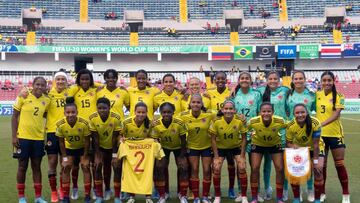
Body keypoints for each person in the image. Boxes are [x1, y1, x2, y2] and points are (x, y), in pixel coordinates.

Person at [12, 77, 50, 203]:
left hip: (38, 139)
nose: (40, 87)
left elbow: (44, 115)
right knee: (22, 166)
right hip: (22, 138)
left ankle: (38, 197)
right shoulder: (23, 96)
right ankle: (21, 197)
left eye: (42, 85)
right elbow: (14, 116)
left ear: (45, 87)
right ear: (32, 85)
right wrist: (14, 136)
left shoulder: (47, 100)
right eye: (37, 84)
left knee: (37, 167)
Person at [316, 71, 350, 203]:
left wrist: (320, 124)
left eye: (329, 80)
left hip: (335, 134)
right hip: (320, 137)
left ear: (333, 81)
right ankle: (322, 192)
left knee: (339, 164)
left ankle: (345, 194)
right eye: (324, 80)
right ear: (321, 82)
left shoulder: (339, 96)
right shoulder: (317, 95)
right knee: (321, 166)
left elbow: (336, 114)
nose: (326, 83)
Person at [205, 71, 238, 198]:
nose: (220, 81)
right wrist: (217, 113)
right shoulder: (208, 93)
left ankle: (231, 189)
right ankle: (216, 191)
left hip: (229, 132)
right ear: (214, 80)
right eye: (217, 79)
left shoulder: (231, 93)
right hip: (215, 133)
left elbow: (234, 109)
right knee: (216, 165)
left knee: (231, 163)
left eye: (222, 79)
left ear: (226, 80)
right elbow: (206, 110)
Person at [257, 71, 289, 200]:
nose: (273, 81)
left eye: (275, 78)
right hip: (265, 131)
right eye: (270, 79)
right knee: (267, 163)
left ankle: (285, 189)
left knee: (282, 164)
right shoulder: (260, 92)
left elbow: (290, 107)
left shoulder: (286, 91)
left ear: (279, 80)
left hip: (282, 131)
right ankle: (267, 188)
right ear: (266, 80)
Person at [231, 71, 263, 202]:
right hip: (239, 135)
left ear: (251, 80)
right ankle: (240, 192)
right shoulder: (233, 95)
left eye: (247, 78)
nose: (244, 80)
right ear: (239, 80)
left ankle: (257, 193)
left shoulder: (257, 94)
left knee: (255, 167)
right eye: (242, 78)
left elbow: (261, 111)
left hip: (254, 134)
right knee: (241, 166)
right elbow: (229, 112)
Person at [247, 102, 287, 203]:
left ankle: (279, 198)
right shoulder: (253, 121)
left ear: (273, 112)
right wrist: (248, 137)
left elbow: (291, 126)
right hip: (258, 144)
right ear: (260, 112)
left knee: (280, 168)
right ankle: (255, 197)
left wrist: (287, 140)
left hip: (275, 144)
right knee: (255, 168)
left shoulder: (280, 120)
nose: (266, 113)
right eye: (264, 111)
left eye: (269, 111)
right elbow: (244, 129)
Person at [210, 100, 248, 203]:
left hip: (235, 148)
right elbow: (213, 139)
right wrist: (216, 156)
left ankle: (243, 196)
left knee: (242, 166)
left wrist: (242, 155)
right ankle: (217, 196)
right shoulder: (217, 121)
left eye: (231, 109)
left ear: (235, 110)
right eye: (226, 109)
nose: (228, 111)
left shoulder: (239, 121)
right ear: (222, 110)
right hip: (221, 148)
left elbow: (244, 138)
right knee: (216, 167)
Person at [285, 70, 316, 201]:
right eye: (295, 79)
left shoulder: (311, 95)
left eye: (300, 78)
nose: (298, 81)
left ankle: (310, 190)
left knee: (308, 164)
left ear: (305, 79)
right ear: (292, 81)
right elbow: (286, 111)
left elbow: (315, 111)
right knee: (290, 163)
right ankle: (288, 191)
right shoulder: (288, 94)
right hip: (292, 133)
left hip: (307, 132)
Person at [180, 94, 216, 203]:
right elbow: (171, 119)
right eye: (193, 102)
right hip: (192, 147)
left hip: (207, 146)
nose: (196, 104)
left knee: (206, 170)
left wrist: (241, 117)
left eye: (198, 102)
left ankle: (205, 196)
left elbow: (224, 114)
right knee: (194, 170)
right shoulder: (183, 115)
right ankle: (196, 197)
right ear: (190, 104)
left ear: (202, 104)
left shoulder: (210, 114)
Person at [286, 103, 325, 203]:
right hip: (301, 150)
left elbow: (316, 144)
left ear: (307, 112)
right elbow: (288, 143)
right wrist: (293, 147)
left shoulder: (315, 122)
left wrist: (315, 162)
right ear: (293, 114)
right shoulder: (290, 125)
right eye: (297, 113)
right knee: (294, 172)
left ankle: (317, 199)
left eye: (302, 112)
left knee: (318, 171)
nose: (300, 115)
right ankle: (296, 198)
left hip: (316, 148)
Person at [151, 102, 189, 203]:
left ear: (173, 112)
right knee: (160, 167)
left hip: (178, 147)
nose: (166, 114)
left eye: (169, 112)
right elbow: (156, 141)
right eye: (164, 112)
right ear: (160, 112)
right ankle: (163, 194)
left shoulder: (179, 123)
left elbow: (183, 139)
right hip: (163, 148)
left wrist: (182, 155)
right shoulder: (157, 124)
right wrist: (160, 154)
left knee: (183, 167)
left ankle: (182, 194)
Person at [56, 97, 91, 203]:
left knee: (85, 166)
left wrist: (85, 156)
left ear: (77, 112)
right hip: (69, 149)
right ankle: (66, 197)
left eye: (73, 112)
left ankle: (87, 196)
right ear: (64, 113)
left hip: (82, 148)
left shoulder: (84, 123)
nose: (70, 114)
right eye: (68, 112)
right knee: (66, 167)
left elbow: (87, 141)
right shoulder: (60, 124)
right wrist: (64, 157)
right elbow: (61, 142)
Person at [89, 98, 122, 203]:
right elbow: (95, 137)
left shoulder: (116, 118)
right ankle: (99, 196)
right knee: (97, 167)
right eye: (99, 108)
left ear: (109, 108)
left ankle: (116, 196)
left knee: (116, 167)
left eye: (104, 108)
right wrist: (98, 155)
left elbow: (115, 137)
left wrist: (114, 155)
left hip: (113, 147)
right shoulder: (93, 118)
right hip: (100, 148)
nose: (102, 110)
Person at [119, 102, 152, 203]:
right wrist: (121, 140)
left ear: (147, 113)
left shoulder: (150, 123)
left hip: (144, 151)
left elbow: (152, 137)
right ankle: (131, 195)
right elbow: (119, 135)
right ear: (134, 112)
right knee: (130, 173)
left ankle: (148, 196)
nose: (141, 114)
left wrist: (154, 140)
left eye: (143, 112)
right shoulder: (126, 122)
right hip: (130, 151)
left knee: (147, 172)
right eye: (139, 112)